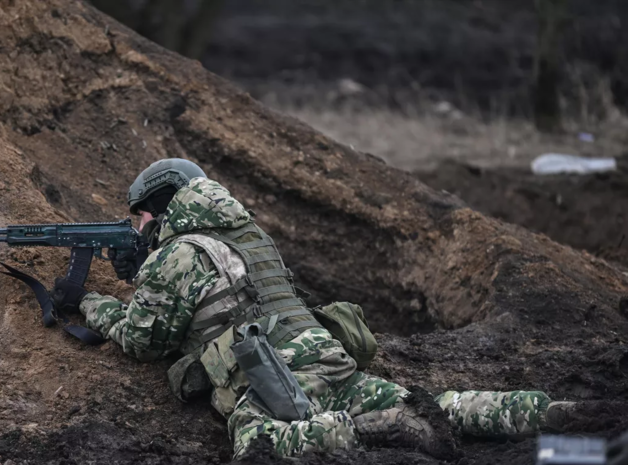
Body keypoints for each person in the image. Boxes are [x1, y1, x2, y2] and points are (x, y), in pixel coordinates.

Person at [50, 158, 579, 459]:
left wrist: (94, 304)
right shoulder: (248, 233)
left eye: (141, 218)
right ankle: (545, 412)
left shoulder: (178, 254)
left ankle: (367, 429)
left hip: (272, 376)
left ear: (160, 209)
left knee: (255, 440)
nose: (139, 228)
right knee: (436, 403)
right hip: (326, 353)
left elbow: (144, 342)